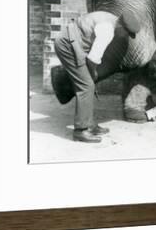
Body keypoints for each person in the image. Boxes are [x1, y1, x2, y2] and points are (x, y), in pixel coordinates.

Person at [54, 10, 141, 143]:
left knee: (88, 83)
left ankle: (89, 124)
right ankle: (81, 131)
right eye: (127, 33)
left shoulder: (112, 18)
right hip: (67, 45)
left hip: (73, 42)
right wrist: (93, 73)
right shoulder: (107, 30)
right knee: (86, 86)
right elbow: (92, 60)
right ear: (121, 27)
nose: (126, 37)